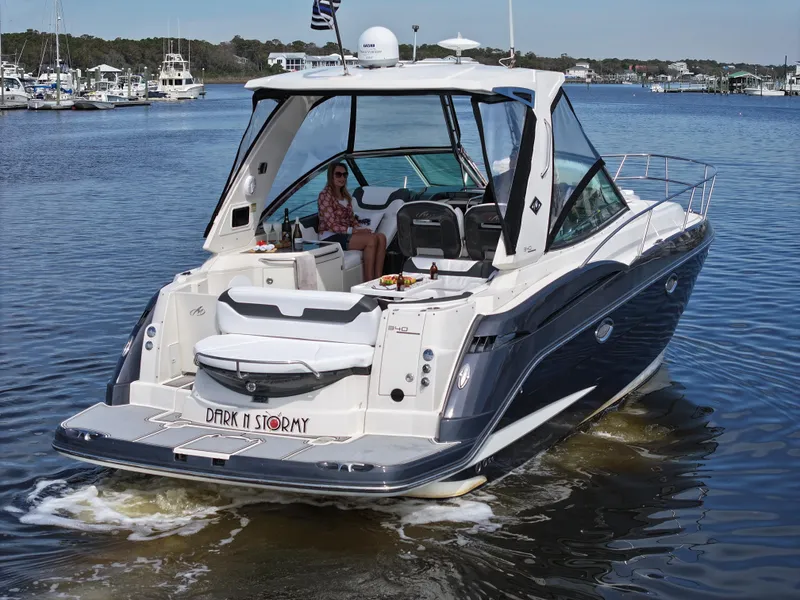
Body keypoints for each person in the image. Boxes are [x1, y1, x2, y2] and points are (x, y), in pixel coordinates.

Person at [318, 162, 387, 280]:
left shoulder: (346, 196)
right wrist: (354, 231)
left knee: (381, 237)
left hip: (344, 234)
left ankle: (378, 278)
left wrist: (360, 229)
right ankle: (369, 280)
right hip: (329, 237)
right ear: (331, 176)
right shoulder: (325, 196)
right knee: (370, 240)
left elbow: (351, 218)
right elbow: (332, 225)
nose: (342, 178)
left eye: (345, 175)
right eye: (338, 174)